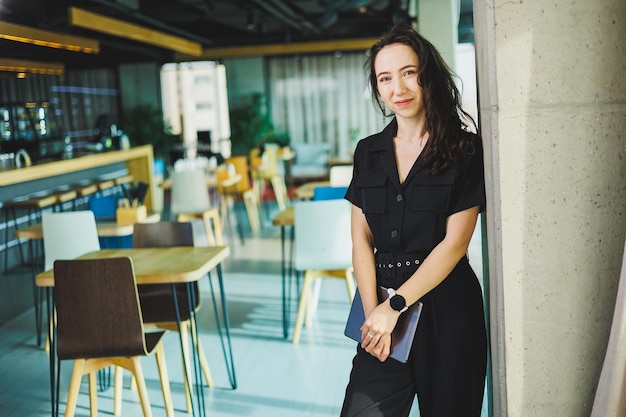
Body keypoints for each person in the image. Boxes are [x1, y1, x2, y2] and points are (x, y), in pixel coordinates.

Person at [340, 23, 487, 417]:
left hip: (449, 313)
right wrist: (375, 315)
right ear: (377, 88)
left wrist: (396, 307)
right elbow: (360, 241)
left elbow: (455, 244)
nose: (398, 89)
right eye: (385, 79)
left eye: (408, 73)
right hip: (382, 309)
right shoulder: (367, 153)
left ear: (428, 76)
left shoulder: (464, 149)